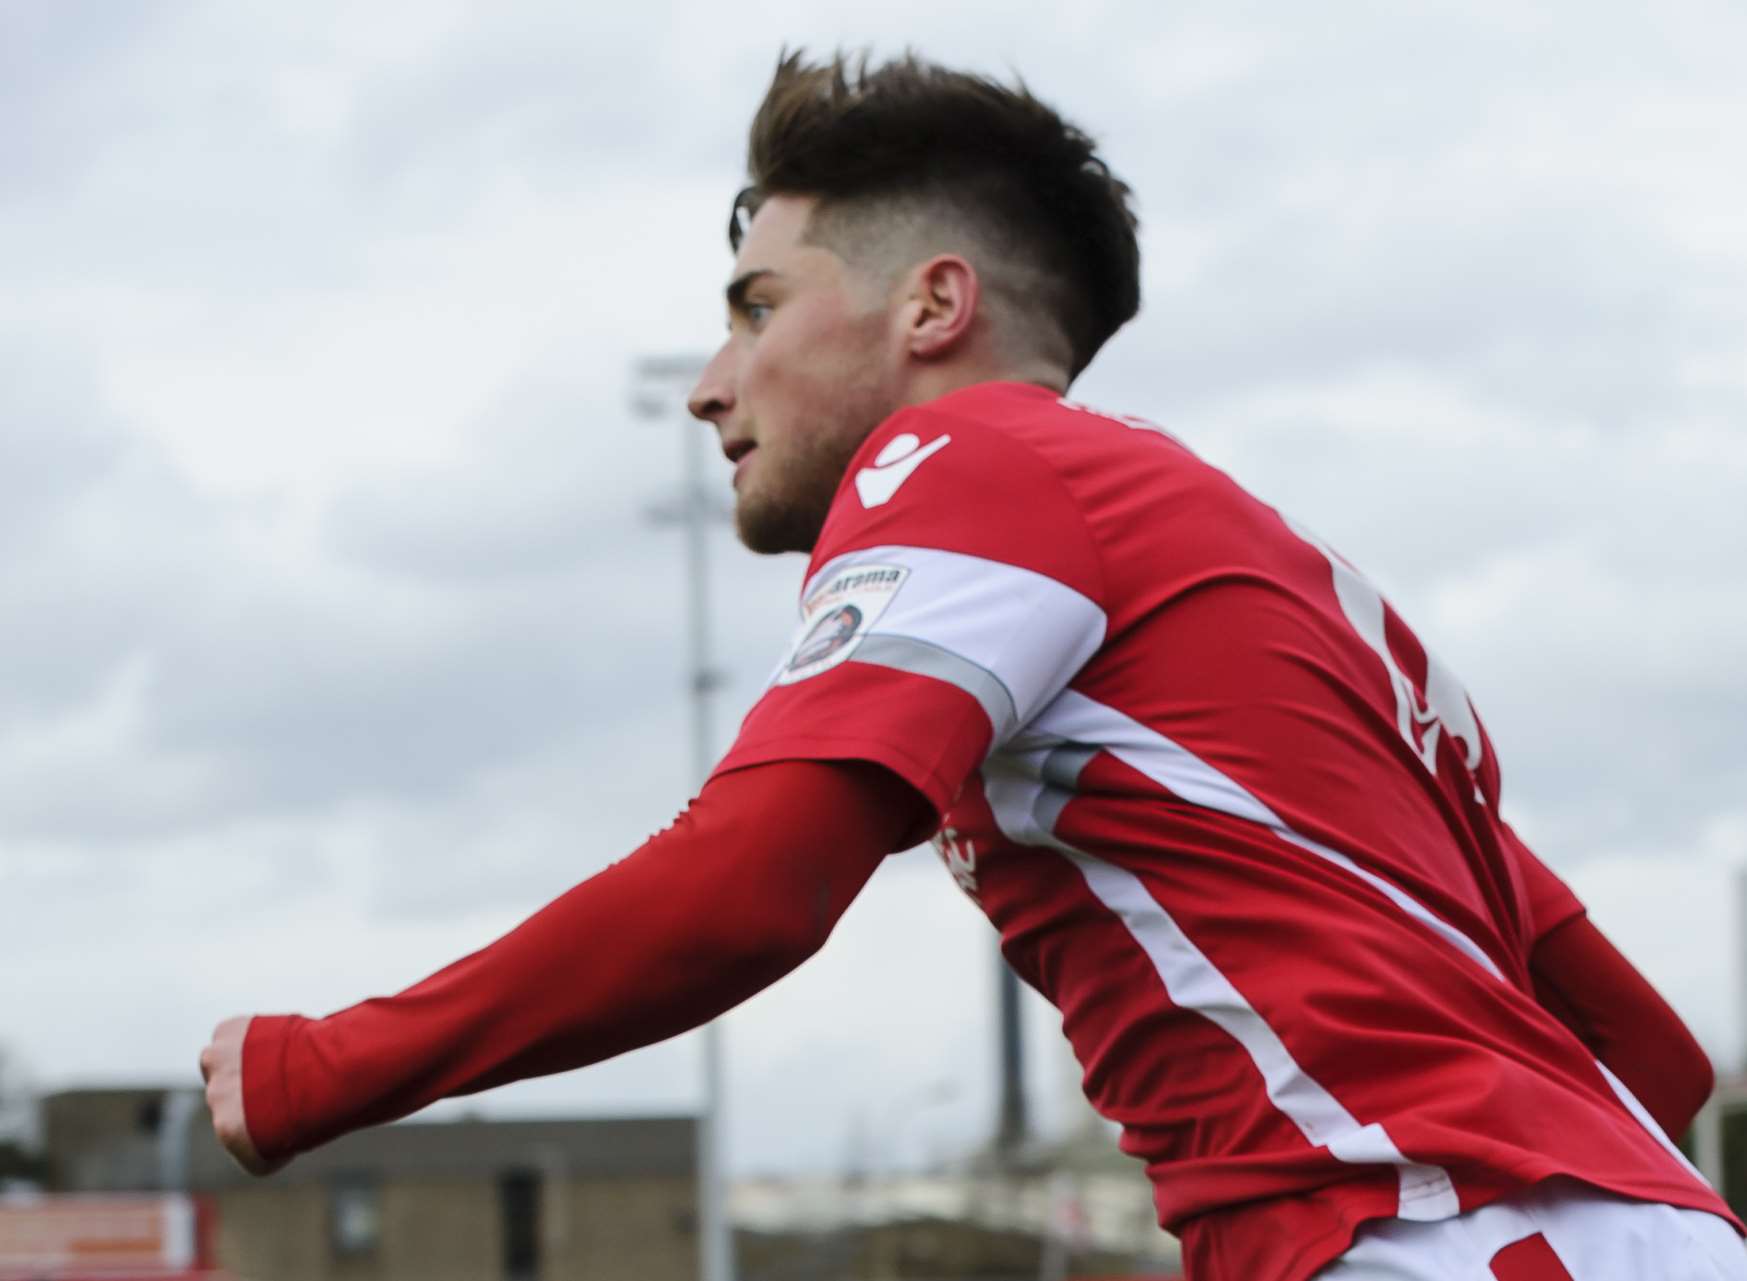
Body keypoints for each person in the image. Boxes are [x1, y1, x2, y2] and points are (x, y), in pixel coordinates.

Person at [201, 51, 1743, 1281]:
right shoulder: (1297, 590)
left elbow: (751, 881)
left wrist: (324, 1064)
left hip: (1425, 1239)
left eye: (753, 308)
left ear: (935, 305)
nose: (715, 384)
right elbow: (1650, 1054)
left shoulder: (973, 455)